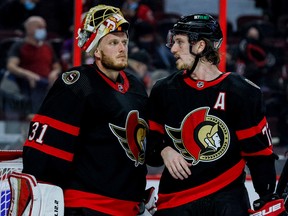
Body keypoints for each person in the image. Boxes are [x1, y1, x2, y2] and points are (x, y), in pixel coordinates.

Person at [20, 4, 155, 216]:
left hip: (129, 207)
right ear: (96, 50)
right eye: (113, 42)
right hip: (88, 206)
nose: (122, 48)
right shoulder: (80, 82)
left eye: (124, 42)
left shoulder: (136, 86)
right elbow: (46, 151)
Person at [146, 14, 286, 216]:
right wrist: (164, 150)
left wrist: (266, 198)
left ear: (200, 46)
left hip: (227, 198)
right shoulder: (164, 90)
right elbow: (150, 147)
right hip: (176, 199)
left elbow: (259, 155)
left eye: (179, 42)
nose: (173, 49)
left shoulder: (242, 91)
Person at [6, 16, 62, 115]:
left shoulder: (47, 46)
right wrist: (28, 74)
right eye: (39, 27)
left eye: (44, 27)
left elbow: (57, 66)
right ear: (29, 28)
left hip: (47, 83)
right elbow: (11, 66)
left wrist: (54, 73)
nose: (43, 30)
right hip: (27, 84)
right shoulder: (19, 45)